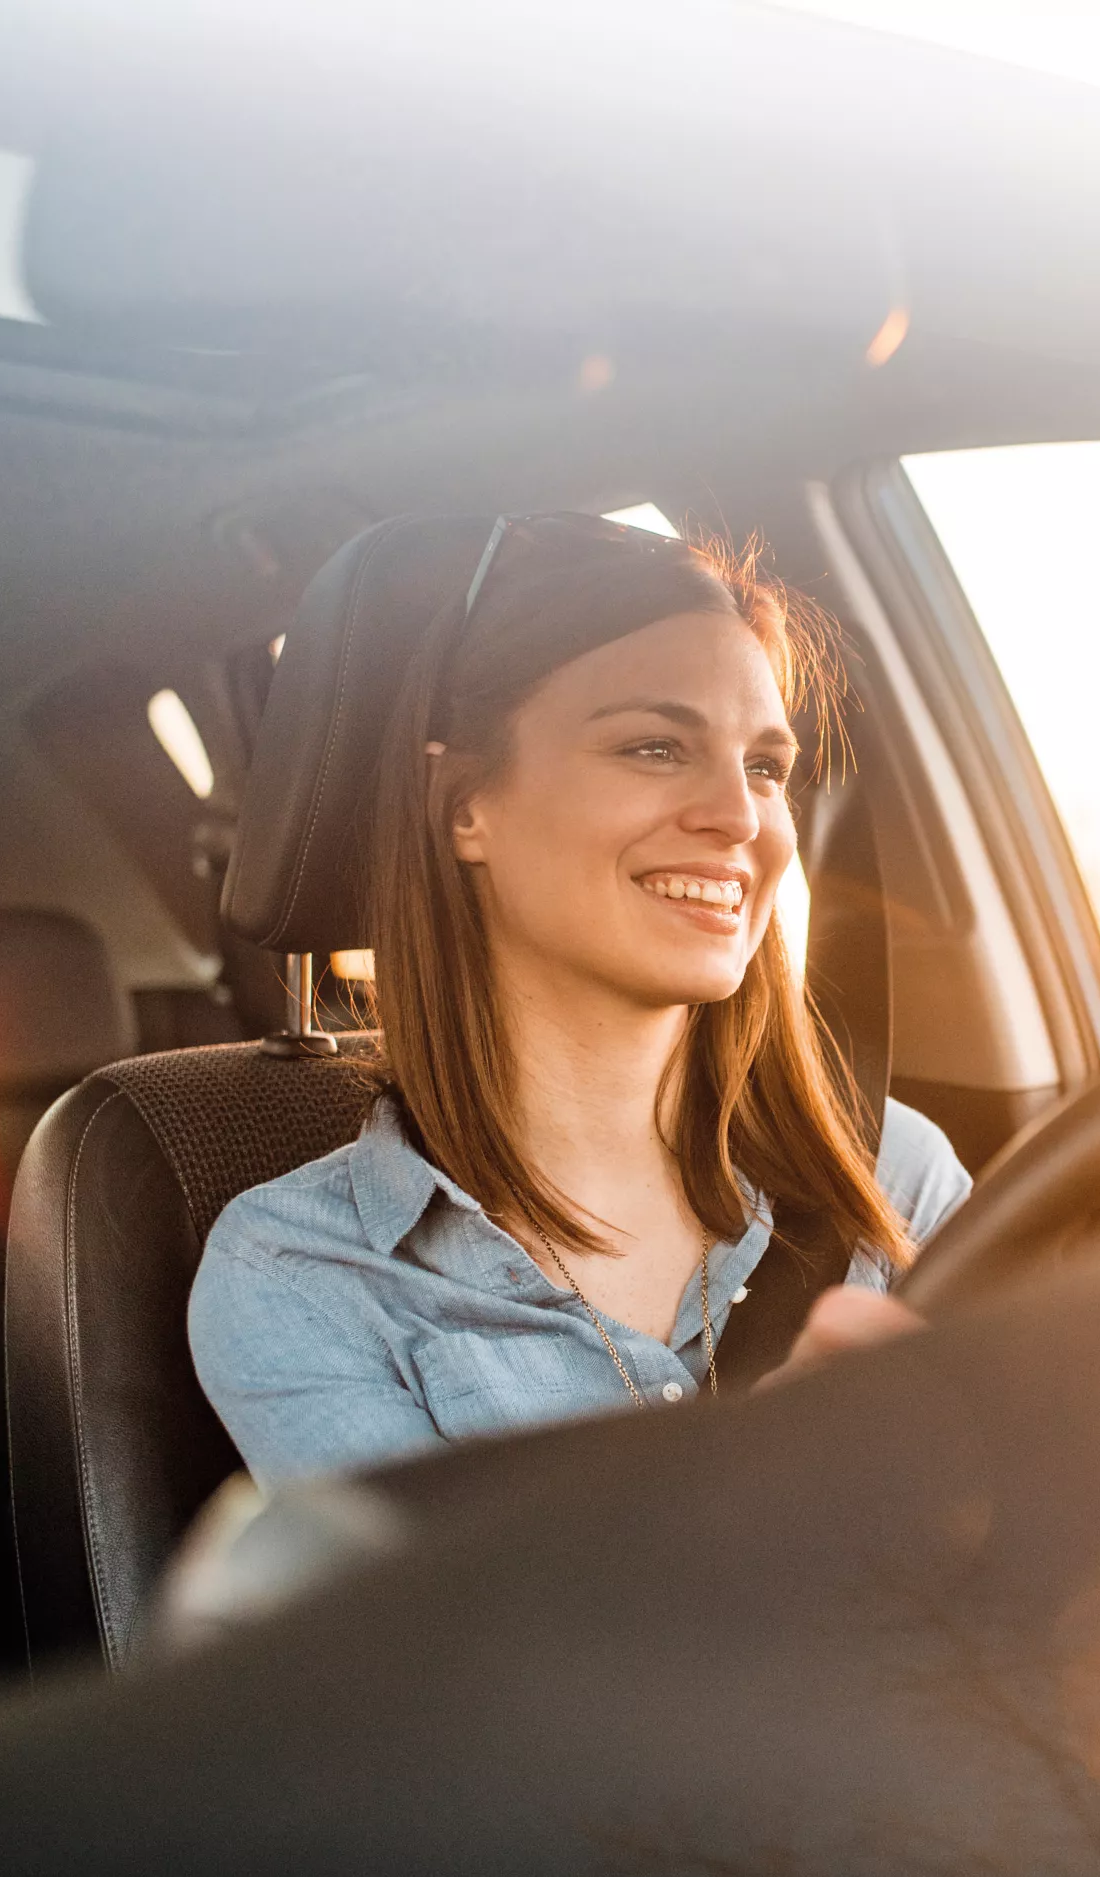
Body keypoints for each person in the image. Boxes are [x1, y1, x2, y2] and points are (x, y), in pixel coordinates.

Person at [191, 513, 969, 1486]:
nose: (740, 817)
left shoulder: (892, 1174)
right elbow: (461, 1641)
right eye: (654, 746)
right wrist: (773, 1491)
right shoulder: (302, 1271)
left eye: (766, 767)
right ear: (465, 804)